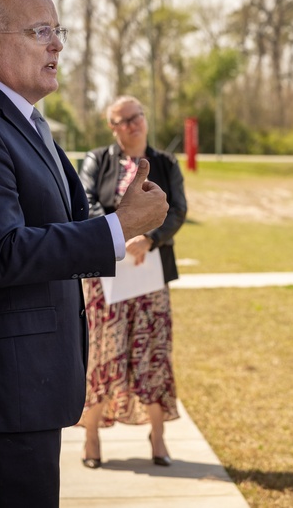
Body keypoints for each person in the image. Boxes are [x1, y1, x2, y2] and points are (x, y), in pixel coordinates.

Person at [0, 0, 168, 507]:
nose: (56, 44)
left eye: (59, 31)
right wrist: (120, 227)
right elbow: (2, 252)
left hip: (28, 383)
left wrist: (119, 220)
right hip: (0, 387)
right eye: (41, 31)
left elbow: (58, 221)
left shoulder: (26, 123)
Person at [78, 96, 187, 468]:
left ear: (144, 118)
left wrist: (150, 238)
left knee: (153, 354)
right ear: (112, 127)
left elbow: (178, 210)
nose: (131, 124)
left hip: (149, 274)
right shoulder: (96, 160)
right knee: (100, 355)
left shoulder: (167, 163)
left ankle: (158, 439)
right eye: (121, 120)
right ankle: (91, 439)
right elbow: (86, 202)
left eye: (135, 116)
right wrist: (117, 236)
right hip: (105, 274)